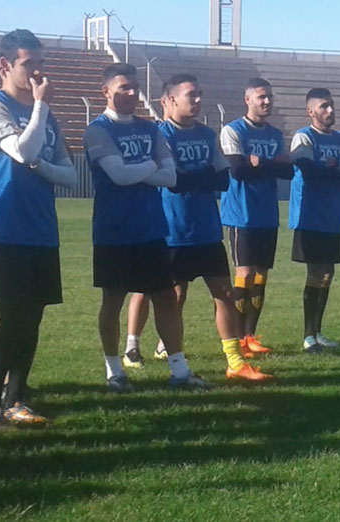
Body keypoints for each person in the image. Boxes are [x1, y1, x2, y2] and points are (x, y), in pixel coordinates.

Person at [122, 74, 272, 381]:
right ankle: (172, 357)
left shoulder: (206, 134)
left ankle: (234, 361)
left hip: (207, 229)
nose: (198, 100)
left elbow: (222, 178)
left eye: (200, 94)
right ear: (171, 100)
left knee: (225, 293)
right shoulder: (159, 135)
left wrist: (193, 177)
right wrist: (196, 176)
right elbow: (172, 181)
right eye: (192, 95)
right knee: (173, 297)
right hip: (173, 231)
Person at [83, 63, 209, 392]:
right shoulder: (97, 130)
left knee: (166, 298)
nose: (131, 93)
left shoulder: (150, 128)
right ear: (106, 92)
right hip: (114, 231)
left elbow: (169, 178)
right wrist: (151, 165)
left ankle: (179, 371)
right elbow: (118, 176)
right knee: (113, 301)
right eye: (123, 87)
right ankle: (114, 370)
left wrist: (138, 168)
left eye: (135, 87)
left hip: (152, 228)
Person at [0, 29, 76, 429]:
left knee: (33, 316)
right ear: (4, 66)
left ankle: (16, 398)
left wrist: (41, 165)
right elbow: (23, 151)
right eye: (27, 63)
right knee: (12, 316)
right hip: (6, 225)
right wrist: (39, 109)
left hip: (42, 228)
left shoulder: (45, 116)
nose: (37, 72)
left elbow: (67, 174)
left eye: (40, 63)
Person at [220, 78, 293, 357]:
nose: (267, 102)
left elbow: (288, 172)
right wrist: (272, 165)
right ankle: (237, 337)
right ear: (247, 99)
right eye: (261, 97)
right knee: (245, 274)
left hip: (266, 214)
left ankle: (250, 335)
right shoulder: (233, 130)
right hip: (241, 214)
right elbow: (237, 170)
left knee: (261, 276)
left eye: (270, 97)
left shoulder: (274, 134)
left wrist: (260, 162)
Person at [288, 88, 340, 352]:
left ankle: (318, 332)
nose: (330, 111)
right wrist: (337, 172)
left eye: (331, 105)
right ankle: (308, 335)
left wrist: (335, 171)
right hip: (310, 216)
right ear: (311, 111)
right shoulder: (304, 137)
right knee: (315, 272)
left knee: (327, 273)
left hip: (333, 217)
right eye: (324, 106)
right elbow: (309, 172)